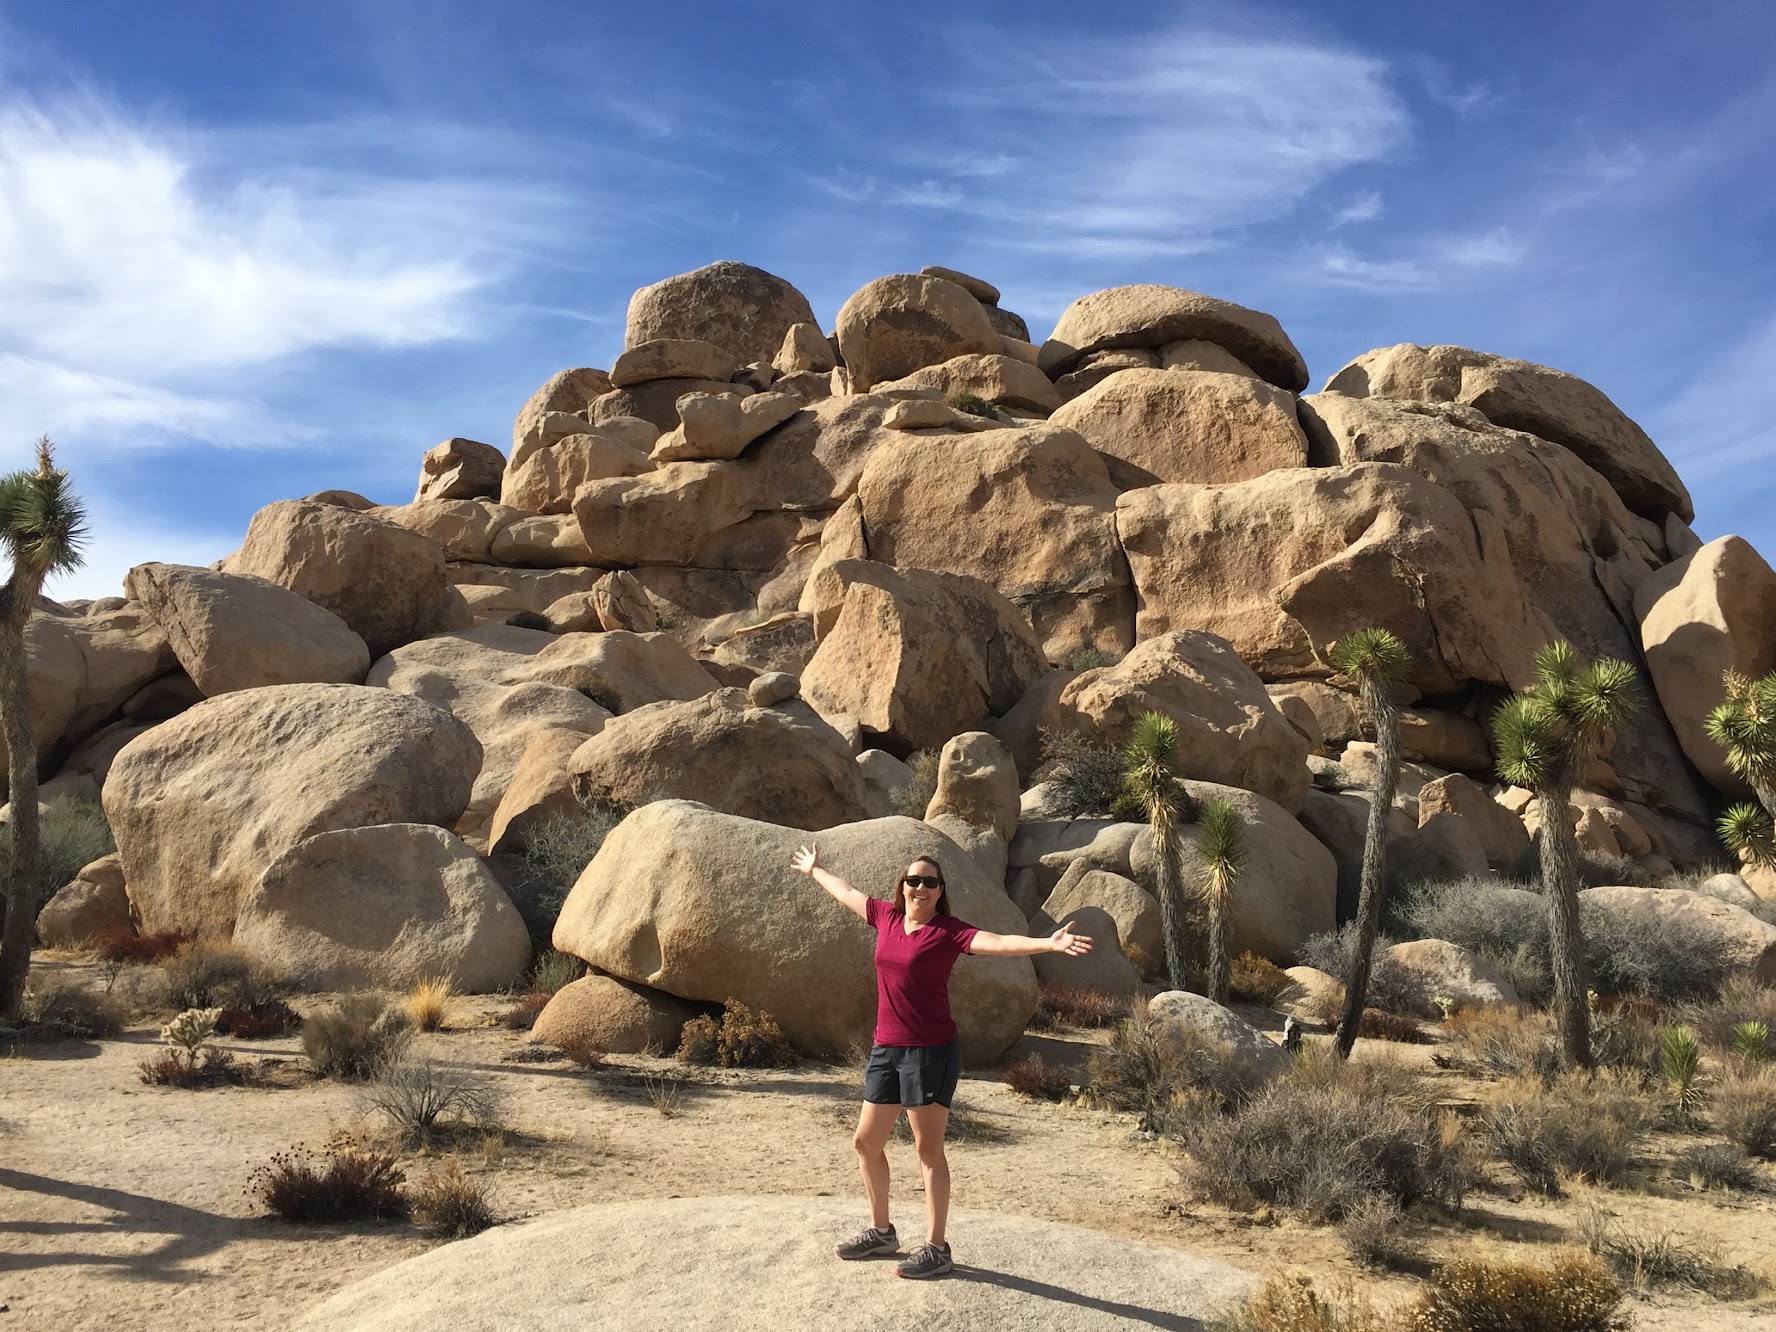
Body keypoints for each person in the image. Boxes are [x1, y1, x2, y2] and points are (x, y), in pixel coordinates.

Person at [790, 842, 1094, 1279]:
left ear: (939, 891)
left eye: (929, 882)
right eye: (913, 880)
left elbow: (998, 943)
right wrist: (815, 870)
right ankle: (882, 1232)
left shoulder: (948, 932)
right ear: (902, 886)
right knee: (865, 1143)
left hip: (930, 1052)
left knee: (927, 1149)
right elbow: (847, 892)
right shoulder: (886, 917)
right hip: (886, 1049)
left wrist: (1048, 943)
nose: (920, 887)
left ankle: (937, 1248)